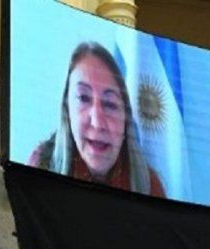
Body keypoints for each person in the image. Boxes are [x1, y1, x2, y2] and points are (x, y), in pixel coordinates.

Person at [28, 42, 165, 197]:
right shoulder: (40, 167)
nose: (97, 123)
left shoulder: (149, 186)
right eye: (83, 98)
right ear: (67, 110)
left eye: (110, 104)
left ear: (125, 120)